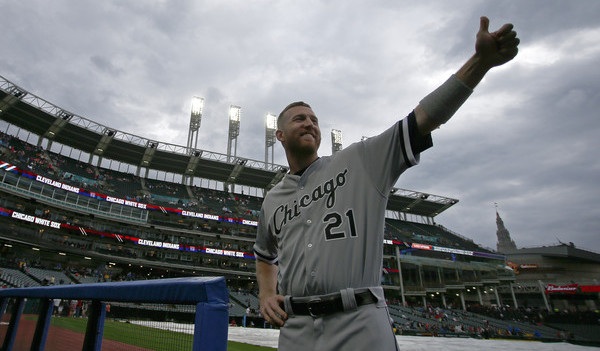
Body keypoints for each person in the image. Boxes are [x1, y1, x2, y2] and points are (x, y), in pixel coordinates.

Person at [253, 16, 519, 350]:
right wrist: (265, 293)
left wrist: (479, 63)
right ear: (279, 134)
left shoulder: (360, 160)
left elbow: (424, 117)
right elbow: (264, 255)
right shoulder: (273, 199)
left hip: (359, 321)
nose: (310, 123)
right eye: (299, 118)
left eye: (315, 119)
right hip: (295, 329)